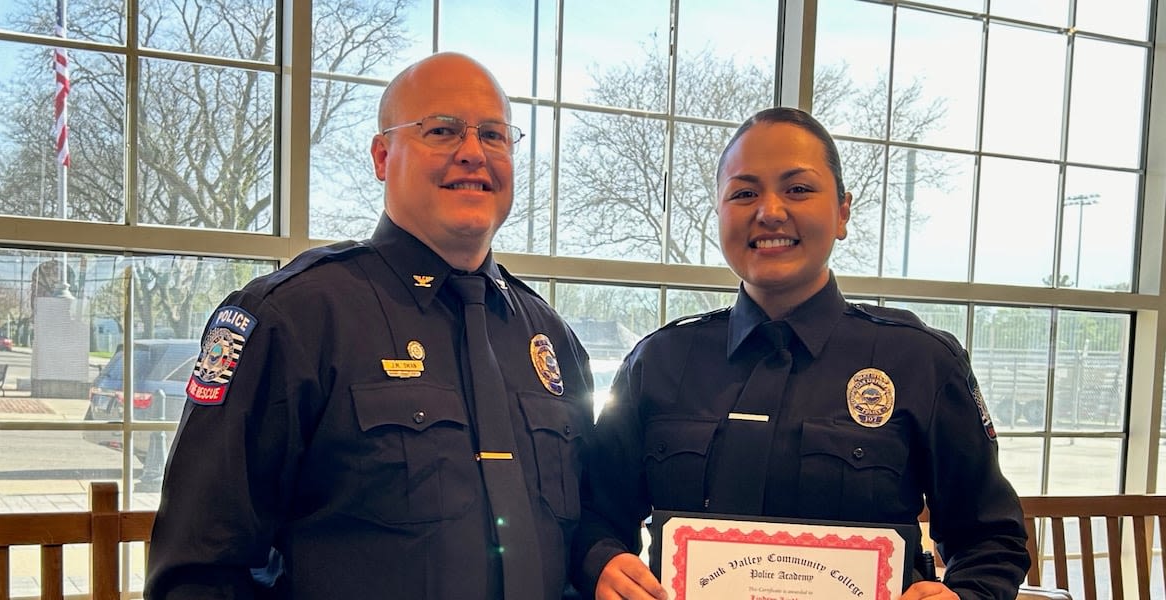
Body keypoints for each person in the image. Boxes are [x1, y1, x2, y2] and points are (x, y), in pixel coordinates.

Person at [146, 52, 595, 599]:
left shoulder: (552, 342)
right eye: (442, 130)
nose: (473, 153)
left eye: (495, 136)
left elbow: (579, 544)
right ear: (383, 155)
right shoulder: (294, 319)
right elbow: (200, 569)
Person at [570, 107, 1030, 600]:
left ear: (843, 212)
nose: (769, 211)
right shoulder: (658, 362)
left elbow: (991, 539)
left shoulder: (921, 362)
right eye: (744, 193)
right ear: (721, 213)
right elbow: (594, 513)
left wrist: (963, 595)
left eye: (798, 189)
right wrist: (603, 563)